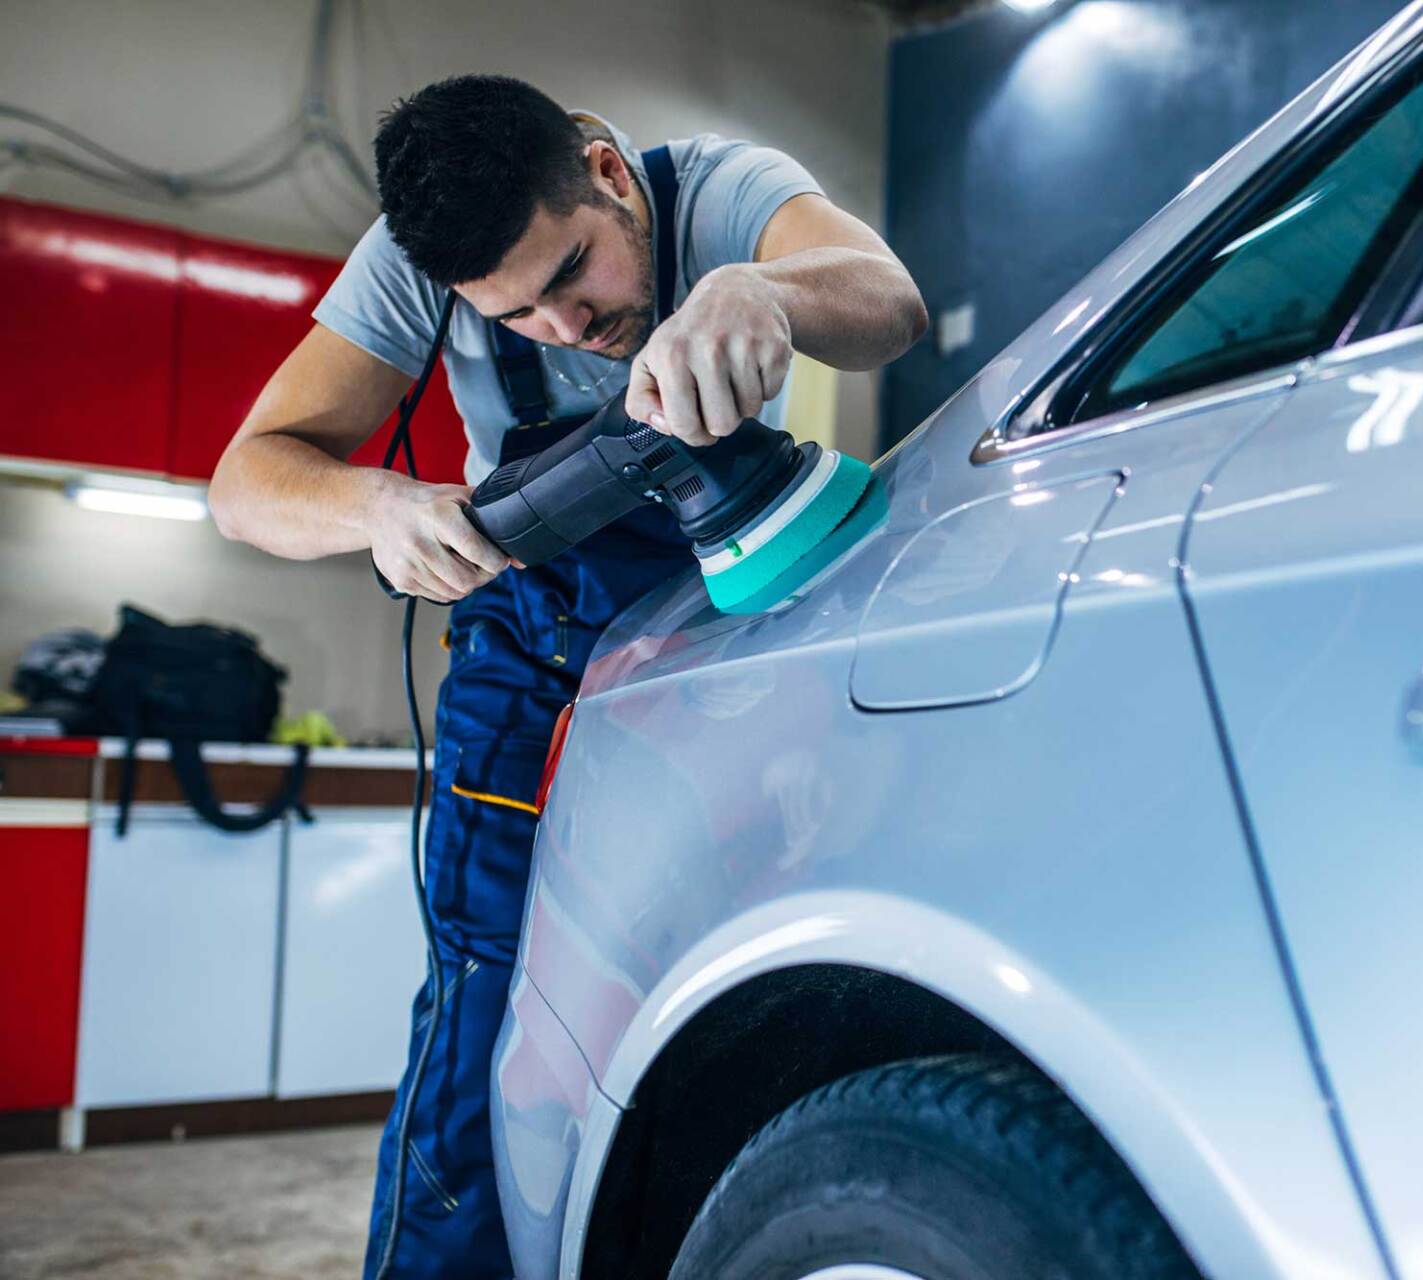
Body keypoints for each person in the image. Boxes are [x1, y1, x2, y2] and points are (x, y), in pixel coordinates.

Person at [207, 74, 926, 1278]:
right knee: (489, 1006)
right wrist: (376, 502)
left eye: (572, 275)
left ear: (603, 174)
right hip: (535, 645)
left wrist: (761, 290)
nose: (562, 329)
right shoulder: (406, 266)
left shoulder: (720, 191)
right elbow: (245, 483)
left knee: (758, 983)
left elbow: (890, 301)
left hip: (743, 624)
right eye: (515, 315)